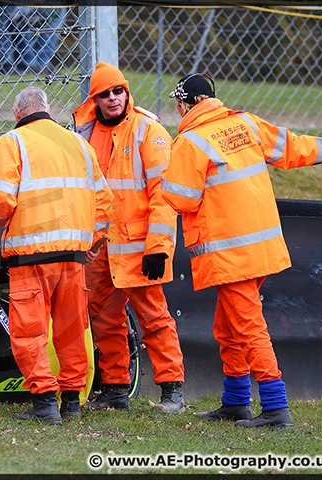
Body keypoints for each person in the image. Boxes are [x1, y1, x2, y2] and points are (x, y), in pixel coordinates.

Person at [161, 73, 322, 428]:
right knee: (228, 328)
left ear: (189, 103)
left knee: (247, 328)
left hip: (230, 253)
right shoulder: (244, 123)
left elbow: (181, 198)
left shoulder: (188, 142)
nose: (177, 109)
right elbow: (293, 147)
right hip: (260, 247)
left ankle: (276, 408)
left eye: (179, 103)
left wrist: (163, 178)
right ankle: (236, 402)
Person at [0, 87, 113, 424]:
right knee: (71, 330)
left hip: (30, 256)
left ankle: (44, 404)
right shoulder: (80, 145)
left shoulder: (13, 143)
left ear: (17, 112)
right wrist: (91, 242)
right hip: (73, 257)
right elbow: (105, 205)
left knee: (30, 332)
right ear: (47, 110)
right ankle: (71, 401)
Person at [73, 61, 186, 414]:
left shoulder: (147, 131)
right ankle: (116, 388)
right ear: (94, 99)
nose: (112, 99)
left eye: (117, 91)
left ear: (126, 91)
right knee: (104, 317)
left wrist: (158, 249)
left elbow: (165, 196)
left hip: (139, 249)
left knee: (154, 317)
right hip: (99, 248)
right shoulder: (82, 134)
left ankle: (172, 389)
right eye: (104, 94)